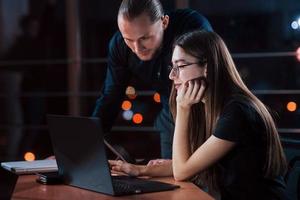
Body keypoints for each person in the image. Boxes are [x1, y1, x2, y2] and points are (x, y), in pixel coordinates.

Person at [109, 30, 288, 199]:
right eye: (172, 67)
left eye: (180, 66)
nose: (172, 75)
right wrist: (138, 170)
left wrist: (183, 109)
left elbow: (182, 170)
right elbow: (190, 163)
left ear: (207, 68)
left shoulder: (236, 112)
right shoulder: (208, 106)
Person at [92, 0, 213, 159]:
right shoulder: (120, 45)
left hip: (205, 111)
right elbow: (110, 96)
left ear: (164, 22)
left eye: (145, 38)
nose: (136, 48)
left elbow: (208, 77)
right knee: (175, 179)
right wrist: (84, 147)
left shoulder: (192, 27)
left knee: (202, 176)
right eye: (128, 39)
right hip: (170, 114)